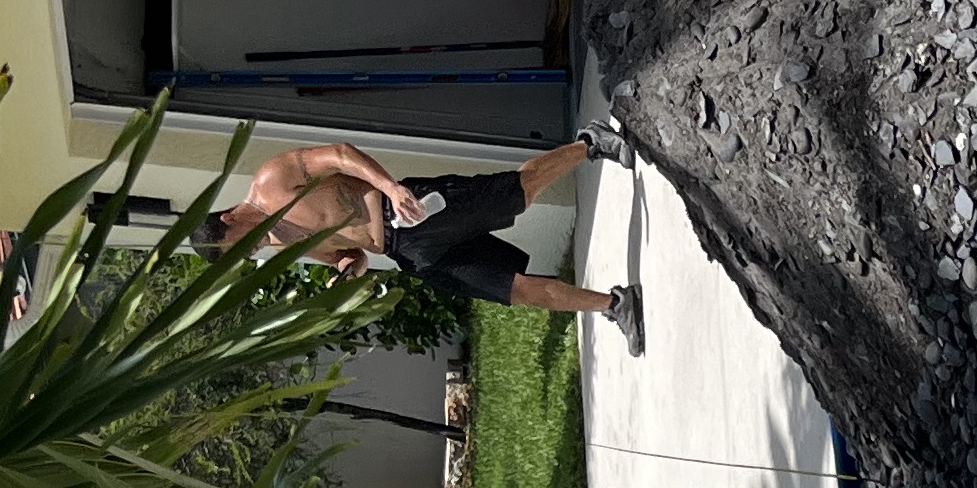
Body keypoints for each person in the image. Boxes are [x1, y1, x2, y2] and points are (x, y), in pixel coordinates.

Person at [194, 129, 641, 352]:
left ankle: (590, 143)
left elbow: (342, 155)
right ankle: (613, 304)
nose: (247, 253)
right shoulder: (277, 245)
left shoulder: (272, 180)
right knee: (515, 289)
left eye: (237, 246)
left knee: (517, 193)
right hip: (407, 254)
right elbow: (348, 254)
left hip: (406, 210)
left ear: (229, 217)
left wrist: (389, 187)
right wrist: (346, 275)